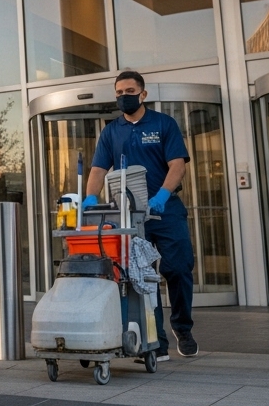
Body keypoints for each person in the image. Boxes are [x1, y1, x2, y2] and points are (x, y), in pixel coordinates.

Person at [82, 70, 197, 360]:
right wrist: (90, 198)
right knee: (142, 277)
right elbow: (98, 169)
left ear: (143, 94)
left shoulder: (163, 124)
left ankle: (182, 327)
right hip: (129, 217)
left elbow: (177, 165)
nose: (124, 97)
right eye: (119, 93)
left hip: (165, 210)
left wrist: (162, 194)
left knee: (178, 268)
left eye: (129, 91)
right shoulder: (111, 131)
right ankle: (155, 341)